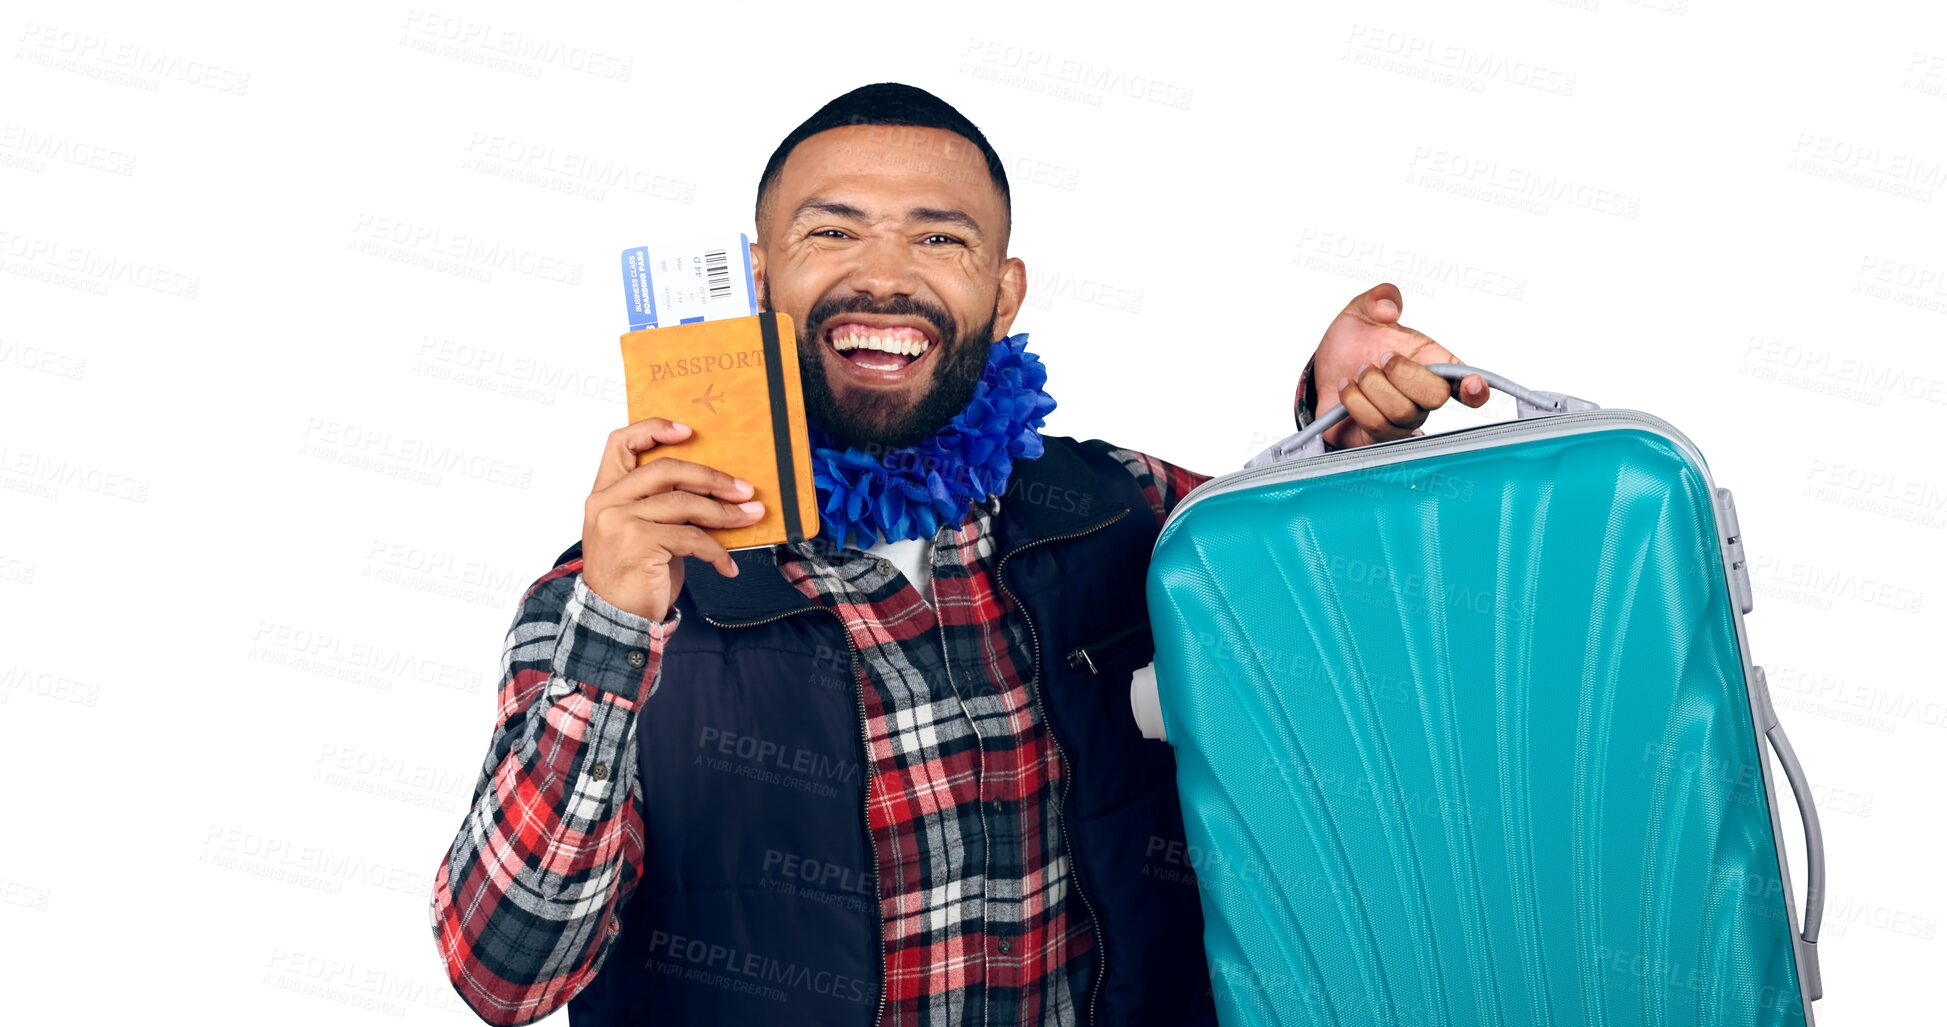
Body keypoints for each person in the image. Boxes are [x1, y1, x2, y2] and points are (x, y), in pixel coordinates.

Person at [428, 81, 1488, 1027]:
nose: (884, 278)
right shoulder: (603, 593)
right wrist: (618, 629)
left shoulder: (1125, 509)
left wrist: (1343, 434)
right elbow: (504, 977)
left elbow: (1322, 618)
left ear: (1005, 290)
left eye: (940, 239)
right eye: (832, 234)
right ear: (757, 280)